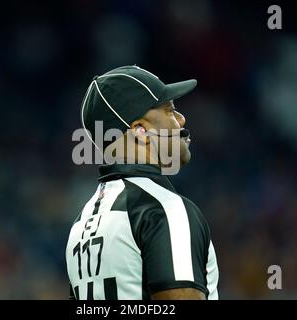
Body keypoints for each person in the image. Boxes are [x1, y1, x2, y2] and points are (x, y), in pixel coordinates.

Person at [65, 65, 219, 300]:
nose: (181, 119)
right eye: (170, 110)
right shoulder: (165, 210)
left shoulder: (81, 224)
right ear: (140, 131)